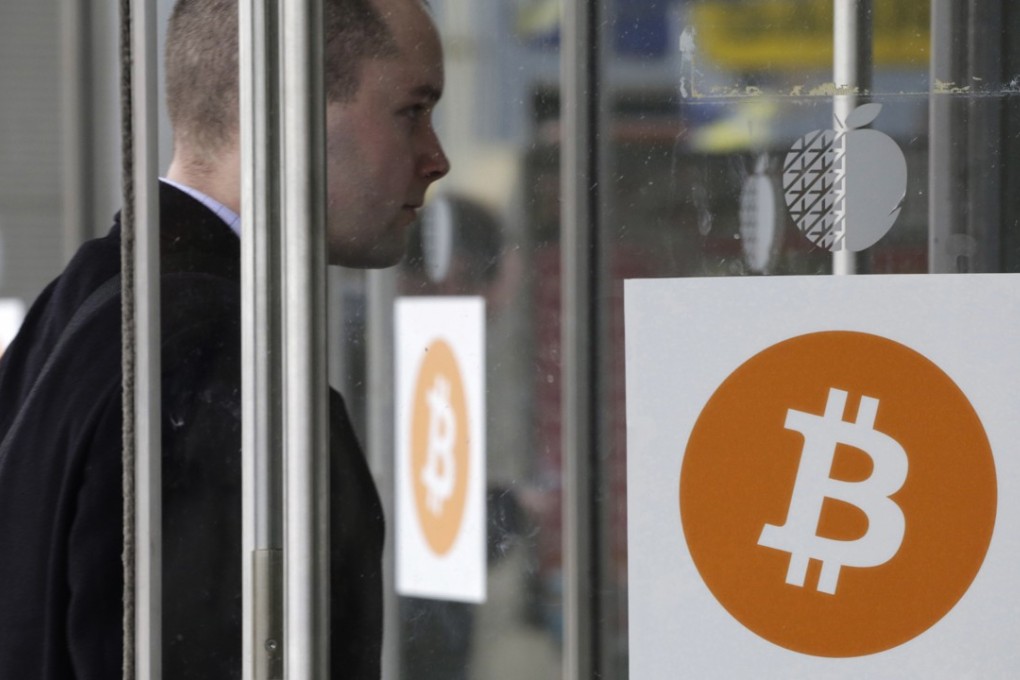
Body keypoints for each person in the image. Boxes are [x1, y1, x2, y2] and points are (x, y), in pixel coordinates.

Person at [0, 0, 449, 677]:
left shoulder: (84, 302)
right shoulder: (220, 359)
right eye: (412, 111)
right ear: (281, 104)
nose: (436, 158)